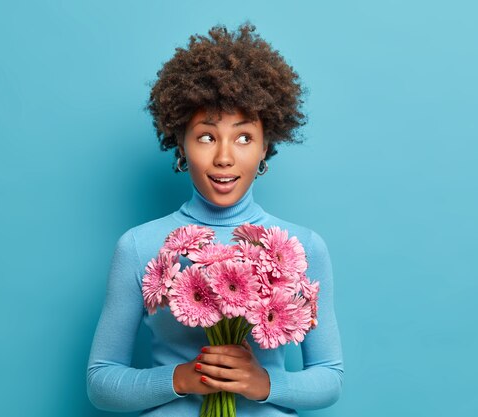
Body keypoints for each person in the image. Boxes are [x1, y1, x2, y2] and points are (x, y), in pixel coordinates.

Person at [86, 23, 343, 416]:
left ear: (265, 147)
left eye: (243, 138)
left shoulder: (304, 247)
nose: (224, 157)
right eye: (206, 136)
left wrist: (265, 384)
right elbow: (101, 382)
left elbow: (329, 377)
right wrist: (182, 378)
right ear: (181, 143)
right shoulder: (139, 246)